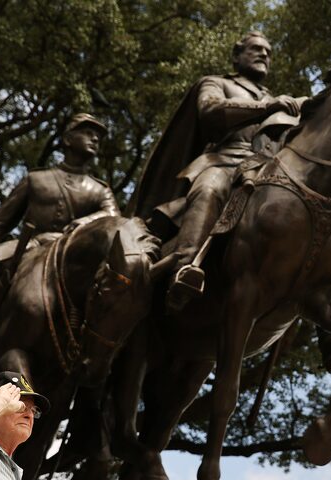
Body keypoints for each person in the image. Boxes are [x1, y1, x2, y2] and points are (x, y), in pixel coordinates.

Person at [0, 113, 119, 389]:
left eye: (98, 135)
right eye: (87, 131)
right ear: (67, 138)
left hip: (71, 262)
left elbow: (112, 220)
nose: (95, 138)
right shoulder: (36, 179)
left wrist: (84, 222)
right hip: (30, 248)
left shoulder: (100, 191)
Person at [128, 31, 304, 311]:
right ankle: (185, 268)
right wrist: (267, 107)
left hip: (269, 172)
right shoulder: (216, 83)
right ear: (236, 56)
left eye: (269, 52)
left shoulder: (283, 102)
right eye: (256, 49)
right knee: (209, 189)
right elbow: (210, 112)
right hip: (225, 162)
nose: (264, 55)